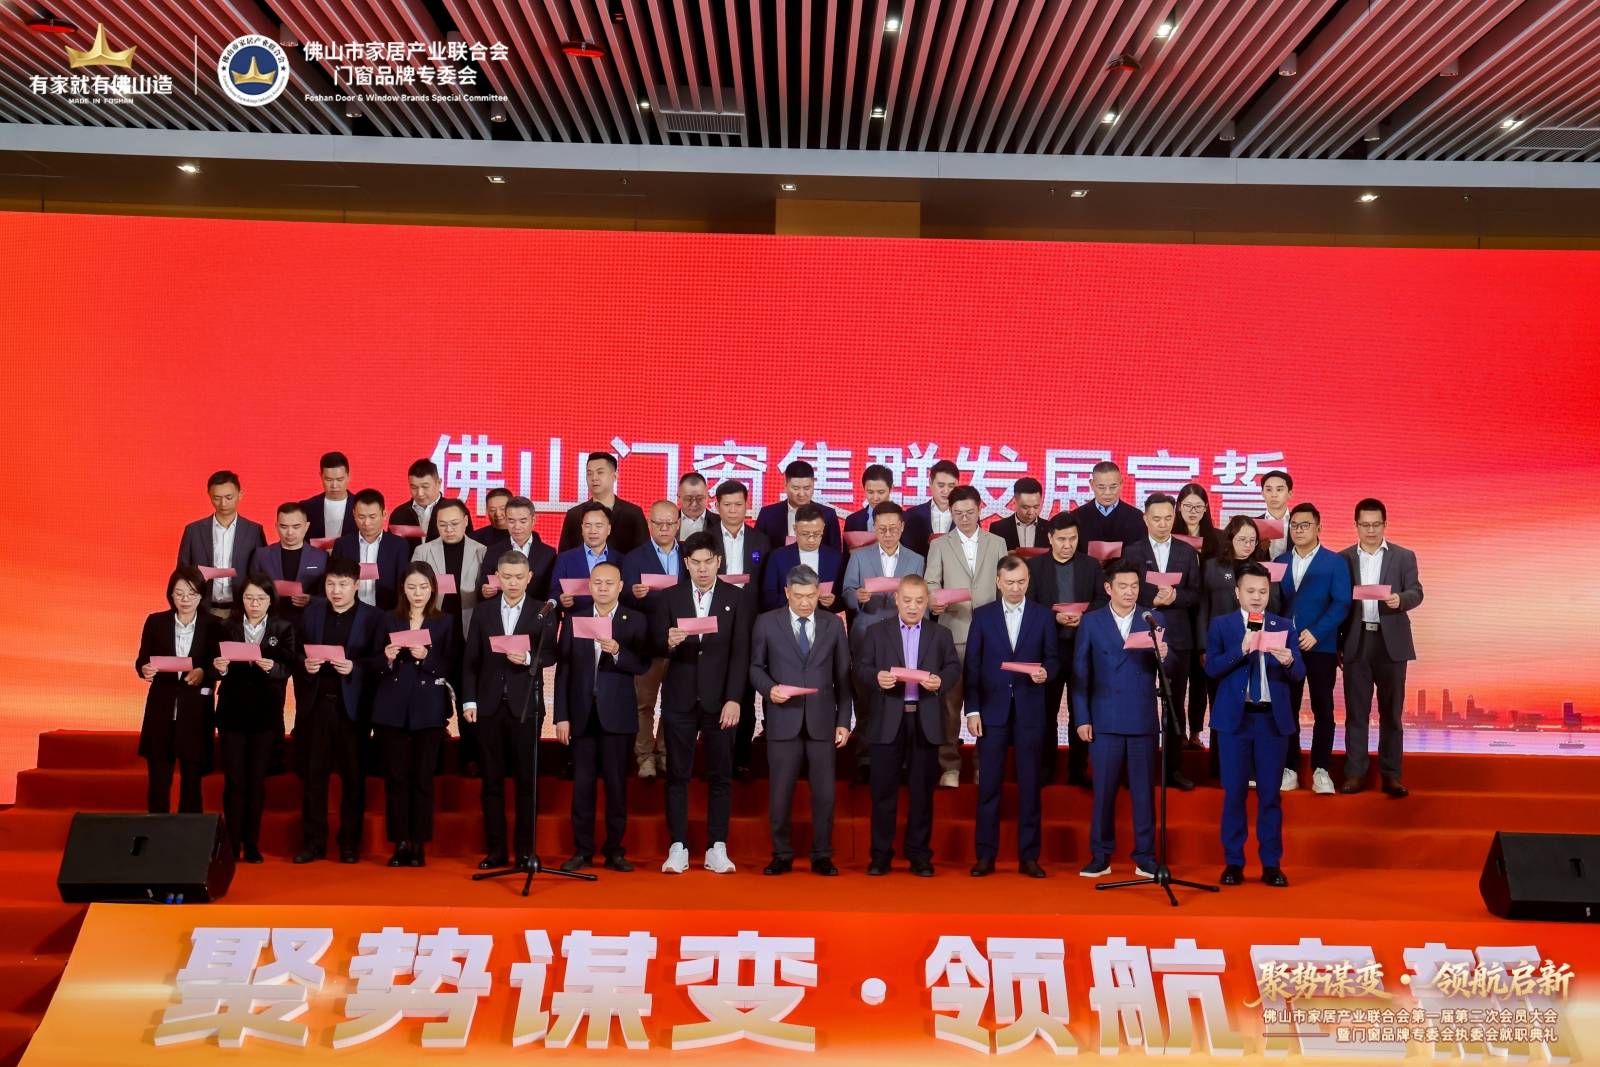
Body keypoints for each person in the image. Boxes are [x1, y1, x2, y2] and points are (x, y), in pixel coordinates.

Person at [655, 532, 751, 874]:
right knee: (677, 775)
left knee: (721, 776)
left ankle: (716, 846)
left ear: (718, 561)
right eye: (695, 562)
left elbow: (741, 653)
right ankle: (678, 846)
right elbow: (654, 643)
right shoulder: (670, 597)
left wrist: (734, 698)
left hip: (720, 701)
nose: (702, 568)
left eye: (708, 561)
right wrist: (666, 641)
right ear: (686, 564)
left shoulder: (735, 598)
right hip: (679, 698)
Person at [1204, 562, 1303, 888]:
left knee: (1270, 795)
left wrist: (1289, 661)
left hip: (1271, 722)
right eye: (1250, 591)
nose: (1257, 597)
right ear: (1237, 593)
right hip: (1235, 722)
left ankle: (1271, 864)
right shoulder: (1222, 625)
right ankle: (1233, 862)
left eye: (1263, 591)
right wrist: (1241, 649)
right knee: (1234, 793)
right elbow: (1211, 669)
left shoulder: (1283, 625)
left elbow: (1299, 674)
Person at [749, 564, 852, 876]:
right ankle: (781, 853)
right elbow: (755, 668)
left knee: (825, 794)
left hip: (822, 720)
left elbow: (843, 677)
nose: (806, 602)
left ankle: (822, 855)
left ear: (819, 592)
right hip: (783, 719)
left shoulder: (833, 624)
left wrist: (844, 721)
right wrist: (770, 689)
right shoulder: (766, 622)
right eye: (799, 596)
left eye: (811, 595)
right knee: (780, 793)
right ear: (786, 593)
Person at [1072, 559, 1171, 879]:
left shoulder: (1152, 618)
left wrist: (1166, 656)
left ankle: (1145, 856)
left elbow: (1170, 670)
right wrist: (1082, 718)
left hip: (1142, 717)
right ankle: (1100, 855)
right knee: (1103, 792)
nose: (1130, 592)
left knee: (1143, 793)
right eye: (1123, 586)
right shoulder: (1092, 622)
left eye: (1135, 586)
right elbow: (1080, 674)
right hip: (1104, 718)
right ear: (1108, 588)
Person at [461, 550, 559, 869]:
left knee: (526, 782)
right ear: (498, 578)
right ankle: (496, 850)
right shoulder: (484, 611)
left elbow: (552, 654)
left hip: (525, 706)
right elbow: (471, 659)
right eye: (507, 577)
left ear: (529, 578)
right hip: (489, 706)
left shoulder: (542, 611)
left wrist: (530, 659)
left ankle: (526, 852)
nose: (513, 582)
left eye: (518, 577)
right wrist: (469, 700)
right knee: (491, 781)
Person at [856, 575, 959, 876]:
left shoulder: (940, 634)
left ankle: (919, 855)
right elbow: (860, 667)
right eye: (907, 600)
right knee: (883, 792)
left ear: (927, 603)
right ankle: (880, 856)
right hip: (888, 719)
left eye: (919, 601)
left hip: (925, 719)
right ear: (897, 600)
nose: (913, 606)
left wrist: (941, 681)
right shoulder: (877, 632)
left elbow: (953, 667)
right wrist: (876, 677)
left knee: (922, 792)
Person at [965, 555, 1059, 878]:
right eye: (1010, 583)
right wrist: (972, 709)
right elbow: (972, 666)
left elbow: (1053, 659)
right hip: (992, 711)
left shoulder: (1043, 616)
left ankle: (1029, 856)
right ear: (998, 582)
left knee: (1030, 786)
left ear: (1028, 581)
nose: (1016, 588)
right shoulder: (983, 616)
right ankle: (985, 855)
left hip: (1030, 709)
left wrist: (1046, 673)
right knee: (989, 786)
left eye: (1021, 582)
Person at [554, 560, 650, 872]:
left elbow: (643, 664)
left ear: (620, 586)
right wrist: (561, 716)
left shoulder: (634, 620)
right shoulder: (574, 619)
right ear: (589, 586)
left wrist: (618, 651)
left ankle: (614, 851)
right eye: (597, 583)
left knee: (616, 786)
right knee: (582, 787)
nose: (603, 588)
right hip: (582, 715)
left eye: (609, 583)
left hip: (617, 717)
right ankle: (582, 851)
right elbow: (564, 670)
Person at [295, 556, 382, 864]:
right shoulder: (312, 612)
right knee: (314, 777)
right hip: (317, 705)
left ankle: (349, 844)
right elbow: (296, 652)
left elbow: (380, 661)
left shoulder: (373, 617)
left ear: (357, 585)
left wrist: (355, 668)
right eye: (331, 584)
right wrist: (305, 665)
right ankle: (313, 843)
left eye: (343, 584)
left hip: (352, 709)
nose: (336, 591)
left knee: (353, 779)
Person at [371, 562, 457, 868]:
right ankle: (400, 843)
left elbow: (452, 664)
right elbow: (371, 662)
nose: (417, 593)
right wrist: (386, 657)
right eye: (411, 587)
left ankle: (419, 843)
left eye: (423, 587)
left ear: (432, 588)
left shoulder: (445, 621)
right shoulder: (388, 619)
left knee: (422, 778)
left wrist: (428, 657)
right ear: (402, 590)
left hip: (427, 707)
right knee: (396, 778)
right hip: (392, 707)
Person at [1338, 498, 1424, 797]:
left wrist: (1401, 599)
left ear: (1385, 524)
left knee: (1392, 714)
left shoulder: (1404, 556)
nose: (1371, 530)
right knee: (1356, 713)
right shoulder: (1343, 559)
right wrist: (1337, 643)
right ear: (1356, 525)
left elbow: (1416, 592)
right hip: (1357, 639)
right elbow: (1337, 602)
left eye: (1376, 524)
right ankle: (1355, 774)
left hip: (1392, 643)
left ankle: (1391, 775)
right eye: (1365, 525)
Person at [924, 485, 1008, 788]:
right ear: (950, 512)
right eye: (957, 513)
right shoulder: (939, 545)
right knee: (949, 705)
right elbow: (930, 582)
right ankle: (949, 765)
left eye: (969, 512)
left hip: (991, 635)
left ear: (980, 508)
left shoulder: (997, 542)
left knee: (988, 703)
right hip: (953, 631)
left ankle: (983, 764)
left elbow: (1004, 583)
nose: (964, 518)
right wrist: (934, 600)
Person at [213, 574, 298, 863]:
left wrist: (272, 667)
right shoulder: (226, 627)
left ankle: (251, 843)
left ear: (270, 600)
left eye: (261, 598)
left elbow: (289, 668)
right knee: (235, 781)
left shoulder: (283, 628)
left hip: (265, 714)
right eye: (249, 598)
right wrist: (220, 668)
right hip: (232, 712)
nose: (254, 603)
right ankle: (231, 842)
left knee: (256, 781)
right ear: (241, 599)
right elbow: (213, 667)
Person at [1122, 492, 1201, 790]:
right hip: (1141, 632)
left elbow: (1196, 594)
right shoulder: (1132, 551)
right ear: (1145, 519)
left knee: (1174, 703)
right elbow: (1124, 590)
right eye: (1156, 518)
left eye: (1168, 518)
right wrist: (1150, 599)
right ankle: (1136, 770)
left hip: (1178, 637)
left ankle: (1173, 769)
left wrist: (1176, 596)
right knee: (1137, 701)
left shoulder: (1186, 551)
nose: (1163, 523)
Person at [841, 502, 924, 782]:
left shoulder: (915, 559)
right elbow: (847, 591)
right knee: (867, 698)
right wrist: (857, 596)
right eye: (882, 529)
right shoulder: (859, 557)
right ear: (873, 528)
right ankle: (865, 760)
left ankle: (902, 762)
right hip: (867, 633)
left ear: (902, 527)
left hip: (903, 634)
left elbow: (920, 597)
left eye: (893, 528)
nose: (887, 534)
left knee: (902, 698)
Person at [1275, 502, 1352, 795]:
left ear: (1319, 527)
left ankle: (1321, 769)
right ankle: (1290, 768)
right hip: (1286, 647)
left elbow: (1341, 603)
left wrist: (1317, 633)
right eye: (1294, 525)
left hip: (1321, 646)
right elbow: (1274, 602)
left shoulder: (1335, 562)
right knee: (1288, 708)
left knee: (1323, 708)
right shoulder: (1280, 561)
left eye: (1305, 525)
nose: (1298, 530)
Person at [1196, 516, 1280, 772]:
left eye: (1252, 540)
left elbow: (1274, 606)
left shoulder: (1263, 569)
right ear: (1229, 539)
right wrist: (1203, 647)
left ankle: (1251, 765)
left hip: (1256, 645)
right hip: (1221, 646)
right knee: (1220, 705)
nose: (1247, 545)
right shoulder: (1212, 567)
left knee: (1250, 704)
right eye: (1242, 539)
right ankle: (1220, 765)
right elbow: (1202, 608)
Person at [135, 566, 220, 816]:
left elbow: (218, 664)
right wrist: (145, 669)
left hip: (195, 710)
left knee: (192, 783)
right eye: (179, 593)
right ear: (170, 594)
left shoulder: (214, 625)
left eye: (192, 594)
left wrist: (204, 672)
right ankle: (156, 832)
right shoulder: (156, 622)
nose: (185, 599)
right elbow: (142, 660)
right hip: (161, 708)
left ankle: (189, 835)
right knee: (158, 783)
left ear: (201, 596)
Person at [1026, 511, 1099, 787]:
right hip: (1049, 650)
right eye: (1062, 539)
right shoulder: (1035, 567)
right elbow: (1029, 606)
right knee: (1046, 713)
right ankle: (1046, 768)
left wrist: (1085, 616)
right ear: (1050, 538)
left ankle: (1078, 769)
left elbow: (1103, 601)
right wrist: (1053, 618)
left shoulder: (1091, 566)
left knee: (1081, 712)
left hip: (1083, 648)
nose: (1068, 545)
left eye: (1072, 539)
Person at [708, 479, 770, 780]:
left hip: (750, 624)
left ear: (748, 505)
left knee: (745, 691)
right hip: (712, 624)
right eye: (727, 505)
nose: (733, 510)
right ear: (716, 506)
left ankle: (742, 759)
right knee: (713, 692)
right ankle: (715, 761)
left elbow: (765, 587)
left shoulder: (761, 541)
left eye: (738, 504)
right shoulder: (705, 539)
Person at [620, 501, 682, 777]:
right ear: (649, 523)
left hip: (681, 642)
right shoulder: (634, 557)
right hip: (646, 643)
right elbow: (624, 597)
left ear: (678, 524)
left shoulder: (689, 554)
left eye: (670, 523)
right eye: (658, 523)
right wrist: (635, 593)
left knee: (675, 704)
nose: (664, 528)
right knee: (643, 704)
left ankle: (666, 753)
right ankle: (644, 756)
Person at [177, 469, 267, 617]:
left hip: (242, 611)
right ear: (209, 496)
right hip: (202, 609)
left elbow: (261, 573)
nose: (223, 503)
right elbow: (182, 572)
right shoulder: (194, 531)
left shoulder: (254, 531)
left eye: (229, 497)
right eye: (216, 498)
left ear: (240, 494)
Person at [249, 501, 326, 627]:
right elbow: (251, 589)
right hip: (270, 622)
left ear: (306, 526)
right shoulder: (261, 555)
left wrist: (310, 600)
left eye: (296, 527)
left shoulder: (321, 557)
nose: (290, 532)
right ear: (276, 526)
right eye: (284, 527)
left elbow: (326, 594)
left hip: (308, 622)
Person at [557, 451, 649, 554]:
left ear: (615, 476)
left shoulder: (633, 514)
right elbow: (563, 556)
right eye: (589, 473)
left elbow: (644, 555)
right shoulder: (574, 515)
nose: (594, 478)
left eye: (600, 472)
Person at [760, 503, 845, 615]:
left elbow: (843, 598)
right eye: (805, 534)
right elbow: (768, 598)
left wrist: (832, 602)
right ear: (795, 529)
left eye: (817, 534)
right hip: (785, 619)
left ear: (823, 528)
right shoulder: (777, 557)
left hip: (823, 620)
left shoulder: (835, 558)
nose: (811, 540)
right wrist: (796, 599)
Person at [335, 488, 410, 612]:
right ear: (354, 514)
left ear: (384, 514)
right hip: (350, 611)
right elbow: (335, 579)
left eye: (372, 517)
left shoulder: (399, 545)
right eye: (361, 517)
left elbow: (402, 584)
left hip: (386, 612)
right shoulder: (343, 544)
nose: (367, 522)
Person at [754, 460, 843, 552]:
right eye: (796, 488)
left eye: (807, 488)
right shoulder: (767, 514)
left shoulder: (828, 515)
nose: (801, 494)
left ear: (813, 485)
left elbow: (835, 553)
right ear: (785, 485)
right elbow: (756, 549)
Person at [482, 496, 556, 602]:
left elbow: (552, 591)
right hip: (501, 609)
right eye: (511, 521)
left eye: (523, 521)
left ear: (533, 520)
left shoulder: (548, 554)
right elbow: (483, 586)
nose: (517, 527)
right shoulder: (493, 551)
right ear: (506, 520)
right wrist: (485, 591)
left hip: (536, 610)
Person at [549, 500, 616, 611]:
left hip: (611, 619)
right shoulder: (565, 559)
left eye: (598, 525)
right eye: (588, 525)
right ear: (582, 529)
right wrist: (561, 599)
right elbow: (554, 593)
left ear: (608, 529)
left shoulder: (621, 560)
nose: (593, 531)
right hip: (576, 618)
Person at [1069, 461, 1146, 549]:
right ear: (1092, 485)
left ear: (1121, 484)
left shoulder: (1136, 517)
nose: (1107, 493)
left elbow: (1143, 552)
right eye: (1101, 487)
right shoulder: (1077, 517)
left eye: (1113, 487)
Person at [389, 458, 457, 546]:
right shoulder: (399, 515)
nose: (420, 494)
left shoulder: (455, 511)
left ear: (438, 483)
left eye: (425, 487)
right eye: (414, 487)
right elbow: (391, 548)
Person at [903, 459, 959, 559]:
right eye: (941, 485)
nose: (946, 491)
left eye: (951, 486)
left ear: (957, 484)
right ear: (930, 482)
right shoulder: (912, 515)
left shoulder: (968, 516)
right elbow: (907, 552)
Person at [302, 451, 356, 540]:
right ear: (321, 476)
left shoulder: (360, 506)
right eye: (329, 480)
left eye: (340, 480)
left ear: (348, 476)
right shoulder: (306, 507)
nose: (334, 486)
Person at [842, 463, 896, 546]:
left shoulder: (906, 519)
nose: (875, 498)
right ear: (864, 489)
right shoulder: (852, 521)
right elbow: (847, 553)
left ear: (891, 488)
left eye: (881, 492)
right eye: (870, 492)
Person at [990, 476, 1046, 550]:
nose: (1031, 512)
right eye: (1025, 507)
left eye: (1036, 507)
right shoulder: (998, 529)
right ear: (1014, 502)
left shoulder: (1050, 528)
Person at [1175, 483, 1221, 559]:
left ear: (1205, 507)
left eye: (1198, 506)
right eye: (1188, 506)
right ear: (1179, 506)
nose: (1193, 511)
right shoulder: (1169, 536)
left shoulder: (1218, 538)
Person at [1259, 471, 1294, 560]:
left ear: (1290, 494)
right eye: (1269, 490)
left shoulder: (1300, 523)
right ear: (1262, 493)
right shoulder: (1253, 524)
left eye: (1279, 490)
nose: (1274, 495)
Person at [676, 472, 711, 539]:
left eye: (700, 499)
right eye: (688, 499)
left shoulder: (721, 522)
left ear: (708, 496)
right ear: (679, 497)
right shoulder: (668, 523)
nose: (694, 504)